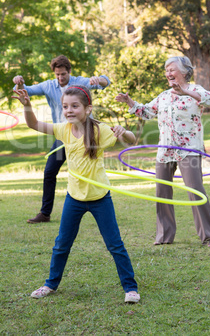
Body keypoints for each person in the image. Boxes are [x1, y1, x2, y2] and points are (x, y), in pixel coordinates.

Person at [12, 85, 140, 303]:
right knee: (62, 243)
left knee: (115, 244)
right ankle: (50, 284)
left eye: (74, 106)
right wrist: (27, 105)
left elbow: (131, 141)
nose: (69, 110)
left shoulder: (100, 130)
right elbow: (33, 124)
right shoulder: (64, 129)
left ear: (88, 109)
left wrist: (122, 131)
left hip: (99, 197)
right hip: (75, 198)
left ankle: (130, 288)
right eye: (65, 107)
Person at [116, 56, 210, 247]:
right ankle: (164, 236)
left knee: (195, 191)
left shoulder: (196, 90)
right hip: (165, 151)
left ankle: (209, 237)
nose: (168, 73)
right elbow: (146, 111)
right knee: (161, 192)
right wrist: (129, 101)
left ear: (185, 72)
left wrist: (186, 92)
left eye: (172, 69)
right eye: (166, 70)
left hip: (189, 149)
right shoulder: (163, 96)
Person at [13, 55, 111, 224]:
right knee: (50, 171)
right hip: (63, 134)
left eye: (63, 74)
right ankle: (45, 213)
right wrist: (19, 83)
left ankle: (99, 204)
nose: (60, 78)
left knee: (90, 170)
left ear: (69, 71)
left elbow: (105, 82)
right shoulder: (48, 85)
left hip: (86, 135)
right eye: (57, 74)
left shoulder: (80, 82)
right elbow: (26, 90)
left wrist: (99, 79)